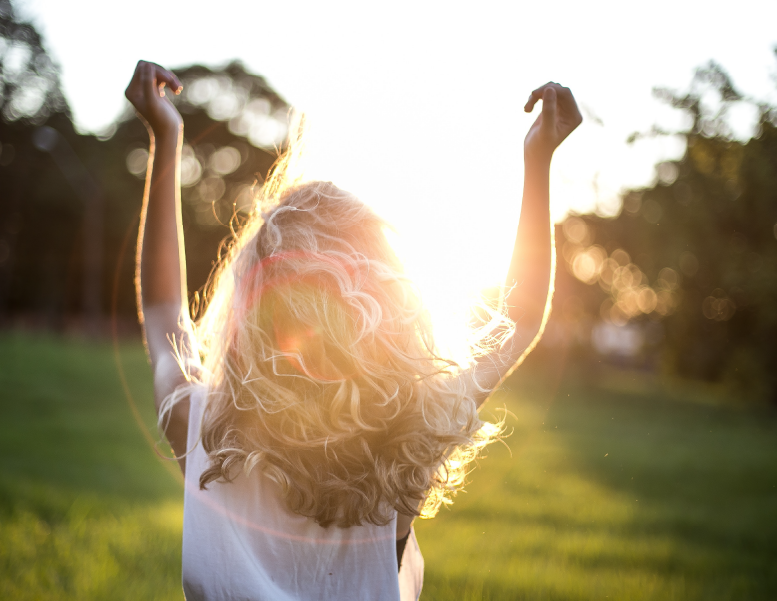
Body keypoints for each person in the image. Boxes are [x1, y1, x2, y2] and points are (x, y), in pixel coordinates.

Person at [125, 59, 581, 601]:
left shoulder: (201, 427)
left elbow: (164, 311)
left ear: (249, 311)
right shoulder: (409, 440)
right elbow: (520, 315)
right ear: (387, 308)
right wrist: (539, 160)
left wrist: (166, 137)